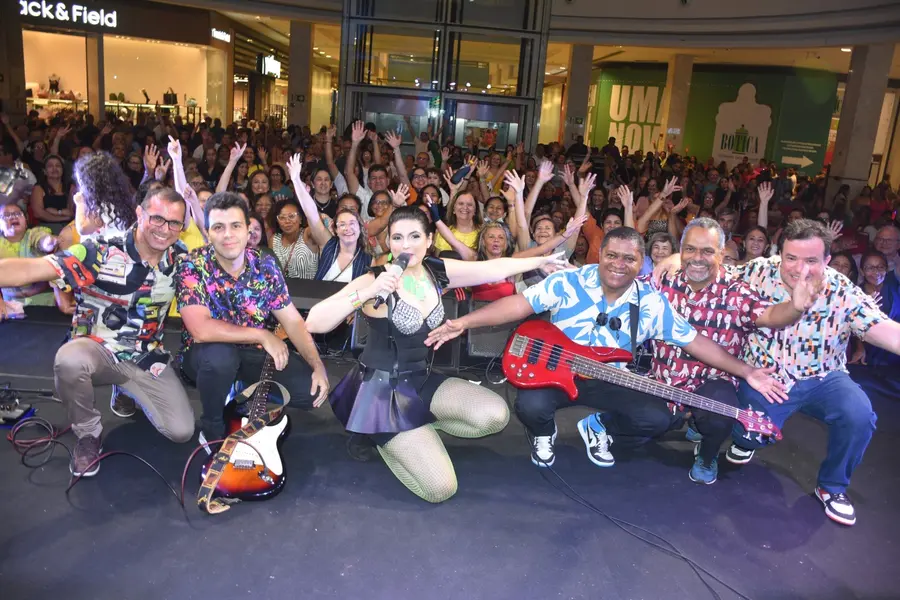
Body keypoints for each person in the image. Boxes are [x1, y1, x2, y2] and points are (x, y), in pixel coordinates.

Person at [425, 227, 786, 470]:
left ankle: (601, 427)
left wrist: (747, 371)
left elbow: (696, 342)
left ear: (640, 263)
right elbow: (518, 306)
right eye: (611, 255)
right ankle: (543, 433)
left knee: (658, 418)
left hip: (611, 376)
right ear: (600, 253)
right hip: (558, 372)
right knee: (530, 406)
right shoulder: (568, 281)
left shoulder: (651, 302)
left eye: (629, 259)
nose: (618, 265)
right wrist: (463, 323)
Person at [305, 207, 569, 503]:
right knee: (440, 489)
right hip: (381, 393)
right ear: (388, 242)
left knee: (494, 416)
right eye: (397, 238)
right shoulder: (375, 278)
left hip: (421, 379)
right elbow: (314, 322)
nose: (406, 245)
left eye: (414, 236)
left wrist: (541, 260)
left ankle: (417, 427)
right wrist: (366, 293)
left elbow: (493, 268)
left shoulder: (435, 271)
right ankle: (378, 435)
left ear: (429, 240)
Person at [662, 219, 900, 526]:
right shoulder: (757, 272)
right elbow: (709, 262)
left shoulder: (842, 290)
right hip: (765, 377)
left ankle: (832, 487)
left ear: (827, 259)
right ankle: (744, 441)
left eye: (811, 260)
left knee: (859, 414)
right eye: (791, 258)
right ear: (780, 254)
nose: (800, 269)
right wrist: (671, 259)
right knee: (750, 434)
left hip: (823, 377)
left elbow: (882, 328)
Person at [0, 186, 195, 476]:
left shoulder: (181, 259)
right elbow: (33, 269)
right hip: (97, 350)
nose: (164, 229)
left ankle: (126, 391)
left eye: (174, 223)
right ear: (139, 213)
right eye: (157, 218)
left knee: (181, 431)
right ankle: (88, 433)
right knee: (70, 360)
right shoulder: (99, 250)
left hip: (145, 356)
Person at [628, 218, 819, 483]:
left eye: (707, 251)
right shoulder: (663, 280)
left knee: (719, 414)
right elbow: (624, 289)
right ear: (680, 251)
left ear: (721, 254)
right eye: (690, 249)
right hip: (665, 379)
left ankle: (707, 455)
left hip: (713, 380)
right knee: (645, 421)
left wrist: (795, 308)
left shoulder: (736, 291)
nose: (698, 258)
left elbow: (769, 315)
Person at [176, 192, 330, 445]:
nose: (228, 234)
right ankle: (212, 426)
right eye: (218, 227)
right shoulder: (192, 265)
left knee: (310, 392)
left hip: (252, 353)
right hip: (205, 355)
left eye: (236, 226)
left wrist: (317, 365)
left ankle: (241, 388)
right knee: (221, 359)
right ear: (207, 232)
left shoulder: (265, 264)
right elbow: (200, 330)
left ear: (248, 231)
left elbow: (292, 320)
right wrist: (262, 335)